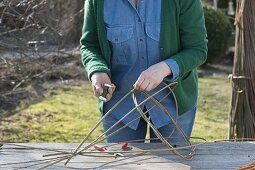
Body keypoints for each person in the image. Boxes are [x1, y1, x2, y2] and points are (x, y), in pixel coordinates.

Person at [80, 0, 207, 144]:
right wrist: (97, 70)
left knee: (171, 165)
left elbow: (197, 49)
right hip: (119, 106)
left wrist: (165, 68)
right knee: (123, 165)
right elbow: (90, 45)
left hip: (173, 105)